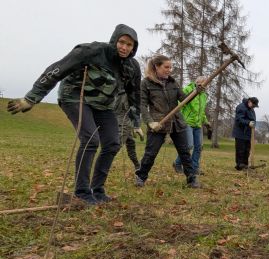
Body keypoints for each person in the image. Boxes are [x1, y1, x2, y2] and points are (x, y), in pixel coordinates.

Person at [7, 24, 141, 205]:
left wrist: (137, 121)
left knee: (112, 142)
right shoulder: (91, 51)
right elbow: (57, 69)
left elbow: (134, 94)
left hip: (103, 105)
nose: (124, 48)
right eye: (121, 42)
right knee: (91, 139)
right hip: (75, 96)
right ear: (114, 40)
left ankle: (98, 190)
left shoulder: (131, 67)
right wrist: (31, 98)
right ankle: (82, 192)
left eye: (129, 45)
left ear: (134, 48)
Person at [134, 55, 201, 188]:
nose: (169, 70)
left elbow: (184, 99)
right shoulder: (146, 83)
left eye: (171, 67)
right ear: (156, 67)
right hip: (158, 123)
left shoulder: (173, 82)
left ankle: (191, 179)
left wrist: (196, 92)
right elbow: (142, 105)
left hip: (176, 122)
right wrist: (149, 122)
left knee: (184, 152)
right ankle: (141, 176)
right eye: (166, 67)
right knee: (151, 153)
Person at [173, 76, 208, 175]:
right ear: (197, 82)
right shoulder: (188, 89)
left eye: (206, 84)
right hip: (187, 122)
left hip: (198, 124)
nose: (205, 86)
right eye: (203, 84)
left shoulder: (204, 95)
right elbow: (180, 103)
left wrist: (206, 121)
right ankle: (177, 163)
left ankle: (194, 168)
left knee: (199, 147)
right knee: (188, 145)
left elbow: (201, 110)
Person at [114, 90, 143, 170]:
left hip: (124, 118)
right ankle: (102, 165)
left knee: (131, 142)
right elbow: (134, 109)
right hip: (123, 119)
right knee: (117, 144)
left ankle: (137, 165)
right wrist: (137, 125)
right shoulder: (127, 91)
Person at [232, 97, 258, 170]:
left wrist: (253, 123)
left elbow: (253, 119)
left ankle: (245, 165)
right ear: (249, 101)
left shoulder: (251, 109)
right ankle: (239, 165)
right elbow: (239, 119)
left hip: (248, 133)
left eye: (254, 106)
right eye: (253, 105)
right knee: (241, 149)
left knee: (247, 149)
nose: (254, 107)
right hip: (240, 132)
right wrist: (248, 123)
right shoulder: (241, 107)